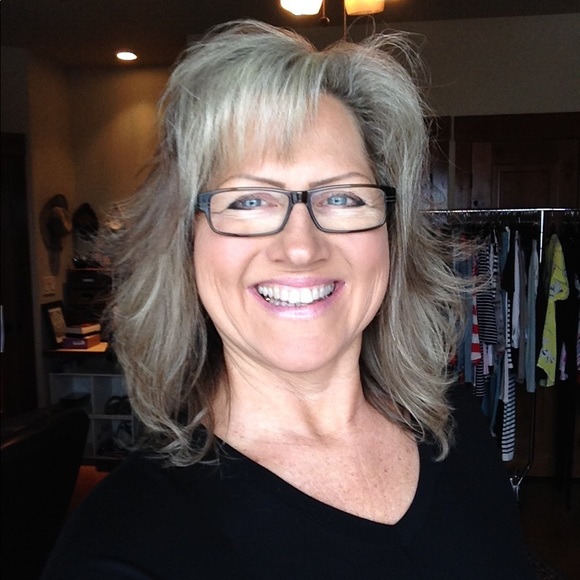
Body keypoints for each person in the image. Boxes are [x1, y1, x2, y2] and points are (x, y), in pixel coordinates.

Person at [42, 20, 535, 579]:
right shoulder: (123, 547)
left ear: (391, 234)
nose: (300, 248)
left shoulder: (457, 424)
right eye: (249, 201)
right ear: (184, 242)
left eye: (343, 197)